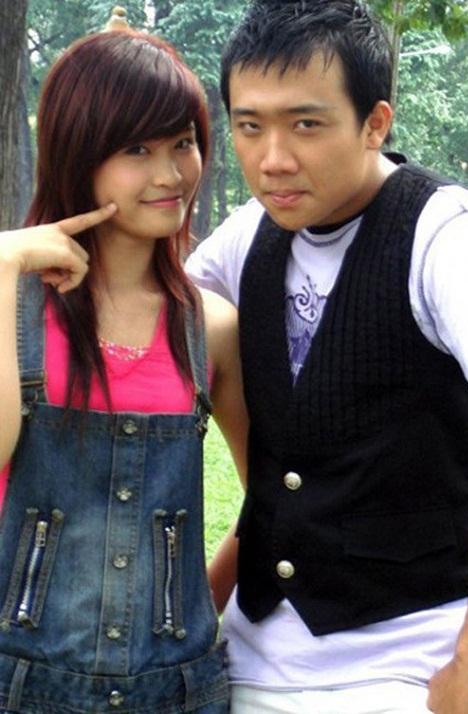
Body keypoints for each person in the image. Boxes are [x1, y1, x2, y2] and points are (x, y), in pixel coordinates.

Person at [185, 1, 468, 712]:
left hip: (408, 669)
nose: (273, 158)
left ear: (375, 123)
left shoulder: (446, 233)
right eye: (249, 126)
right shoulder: (248, 233)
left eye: (306, 124)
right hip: (251, 662)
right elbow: (135, 312)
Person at [0, 27, 248, 714]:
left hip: (178, 690)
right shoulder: (14, 309)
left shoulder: (211, 328)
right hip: (18, 684)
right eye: (137, 149)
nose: (170, 174)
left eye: (183, 143)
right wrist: (4, 263)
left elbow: (272, 499)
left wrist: (197, 608)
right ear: (80, 151)